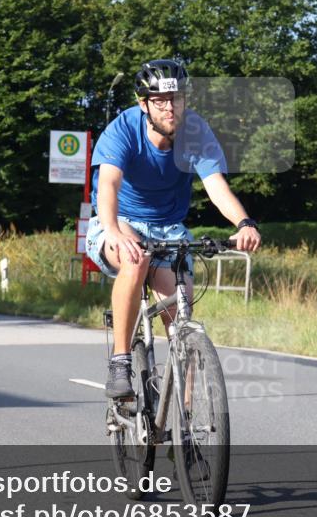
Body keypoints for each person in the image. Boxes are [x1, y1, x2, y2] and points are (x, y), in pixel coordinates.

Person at [84, 59, 261, 399]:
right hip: (120, 220)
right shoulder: (123, 129)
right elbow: (108, 184)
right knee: (135, 259)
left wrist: (244, 222)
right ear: (144, 104)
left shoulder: (195, 132)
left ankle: (186, 417)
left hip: (169, 229)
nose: (170, 107)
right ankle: (120, 361)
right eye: (160, 100)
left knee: (181, 315)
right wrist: (113, 230)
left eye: (176, 98)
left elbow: (216, 185)